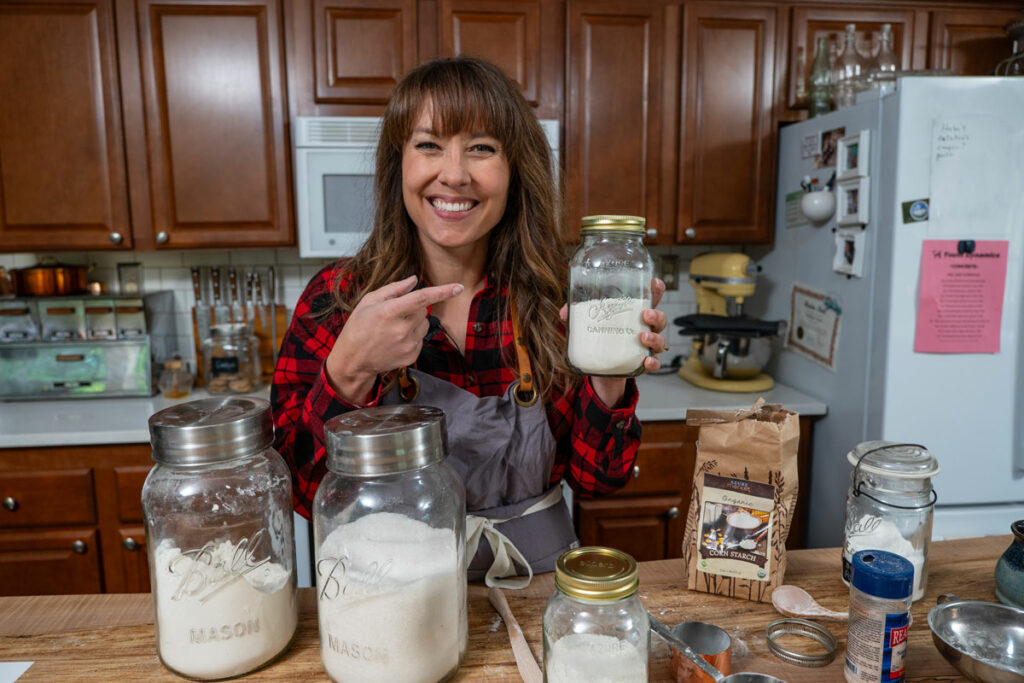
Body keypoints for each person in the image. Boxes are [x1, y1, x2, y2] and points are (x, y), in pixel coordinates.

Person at [271, 55, 668, 586]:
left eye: (482, 148)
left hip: (536, 584)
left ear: (514, 170)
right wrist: (348, 370)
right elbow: (300, 493)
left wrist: (610, 371)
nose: (453, 174)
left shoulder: (560, 300)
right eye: (429, 145)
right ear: (399, 166)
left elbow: (600, 480)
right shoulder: (336, 300)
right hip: (389, 594)